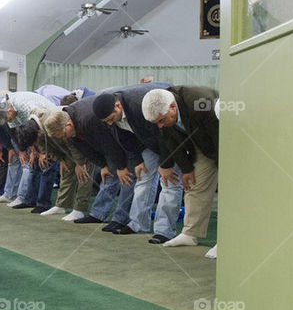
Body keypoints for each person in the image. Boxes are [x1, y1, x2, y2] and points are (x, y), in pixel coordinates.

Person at [90, 83, 184, 244]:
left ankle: (164, 231)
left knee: (170, 182)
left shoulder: (138, 105)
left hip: (170, 140)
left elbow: (164, 133)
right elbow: (126, 138)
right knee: (143, 178)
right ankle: (138, 224)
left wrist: (165, 164)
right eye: (107, 121)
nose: (110, 123)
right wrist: (138, 161)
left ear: (117, 105)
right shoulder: (112, 117)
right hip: (148, 142)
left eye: (111, 119)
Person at [43, 96, 139, 234]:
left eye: (63, 134)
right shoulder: (69, 125)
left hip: (125, 141)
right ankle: (98, 214)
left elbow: (110, 143)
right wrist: (103, 165)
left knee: (127, 178)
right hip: (110, 146)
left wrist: (121, 167)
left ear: (68, 124)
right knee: (109, 176)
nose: (64, 138)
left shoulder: (87, 120)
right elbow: (86, 150)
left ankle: (120, 219)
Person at [142, 86, 219, 257]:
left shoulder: (201, 102)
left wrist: (227, 170)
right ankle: (190, 234)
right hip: (203, 144)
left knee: (233, 190)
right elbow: (171, 142)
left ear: (172, 107)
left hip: (227, 140)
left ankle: (229, 240)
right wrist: (187, 169)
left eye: (162, 121)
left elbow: (221, 137)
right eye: (157, 123)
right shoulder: (163, 108)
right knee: (194, 184)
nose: (160, 126)